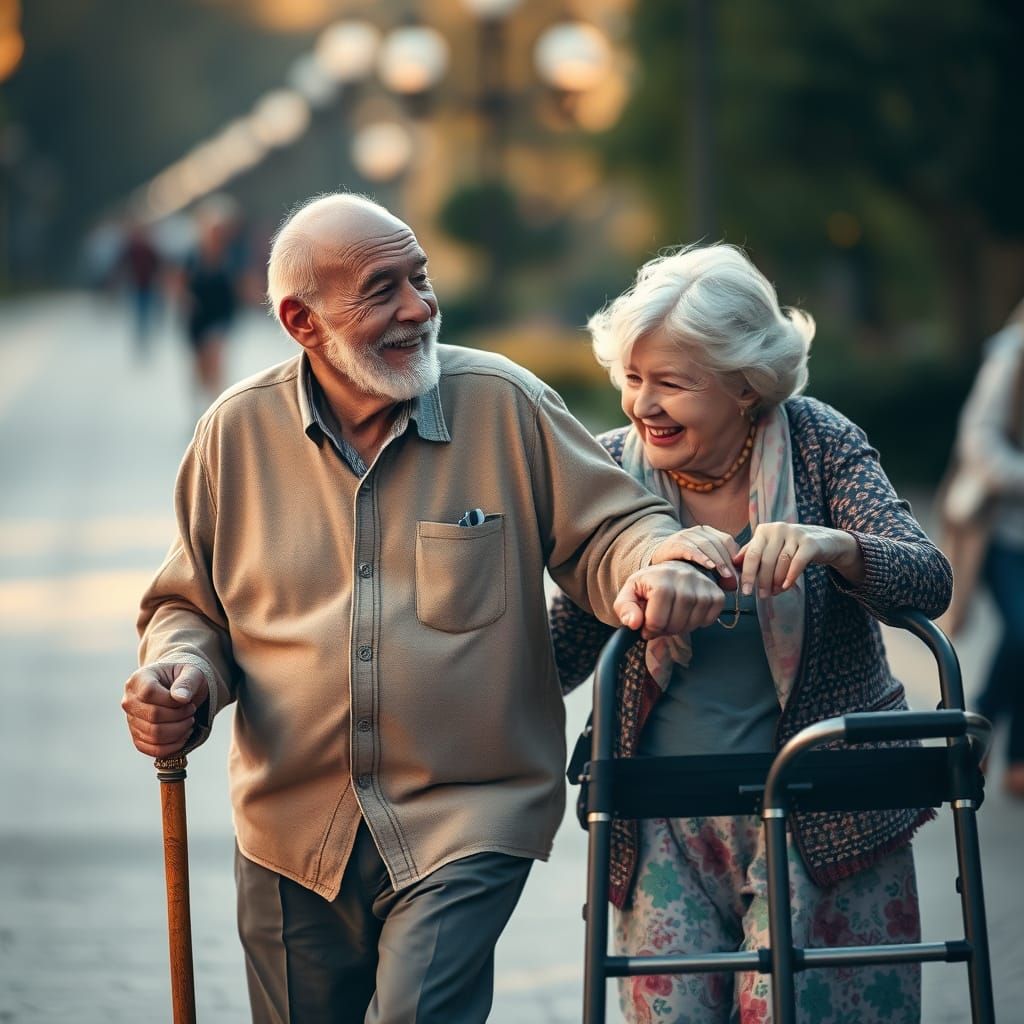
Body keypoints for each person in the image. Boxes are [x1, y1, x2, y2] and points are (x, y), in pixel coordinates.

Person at [120, 193, 726, 1024]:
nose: (418, 307)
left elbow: (612, 530)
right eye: (381, 289)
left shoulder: (503, 403)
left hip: (467, 810)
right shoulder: (235, 433)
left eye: (421, 277)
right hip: (292, 823)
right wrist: (180, 673)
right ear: (303, 321)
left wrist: (667, 561)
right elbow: (191, 607)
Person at [549, 243, 952, 1024]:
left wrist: (837, 548)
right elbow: (565, 643)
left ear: (744, 384)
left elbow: (929, 581)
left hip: (825, 807)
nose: (643, 405)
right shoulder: (609, 469)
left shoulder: (818, 442)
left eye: (671, 383)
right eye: (633, 378)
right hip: (665, 814)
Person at [942, 299, 1024, 797]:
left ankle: (1010, 755)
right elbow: (977, 441)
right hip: (1003, 531)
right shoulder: (1013, 354)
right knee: (1022, 630)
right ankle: (977, 734)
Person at [176, 194, 245, 418]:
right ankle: (200, 405)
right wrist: (185, 298)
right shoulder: (193, 255)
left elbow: (240, 281)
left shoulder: (232, 254)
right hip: (198, 317)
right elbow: (180, 281)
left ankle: (217, 411)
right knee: (199, 365)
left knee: (215, 358)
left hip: (221, 315)